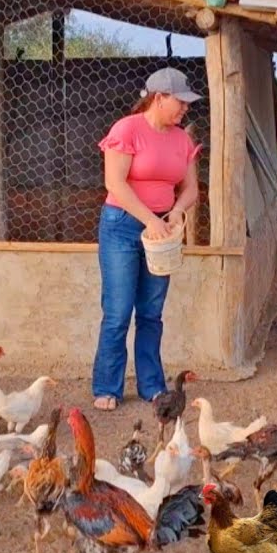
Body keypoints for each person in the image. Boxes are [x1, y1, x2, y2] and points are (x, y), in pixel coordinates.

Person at [91, 67, 203, 411]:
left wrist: (176, 211)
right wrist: (150, 219)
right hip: (122, 225)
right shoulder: (127, 129)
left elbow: (191, 189)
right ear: (159, 98)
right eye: (180, 101)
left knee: (152, 312)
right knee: (118, 310)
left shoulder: (181, 139)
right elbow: (115, 183)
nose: (185, 108)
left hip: (161, 230)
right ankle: (107, 387)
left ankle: (152, 385)